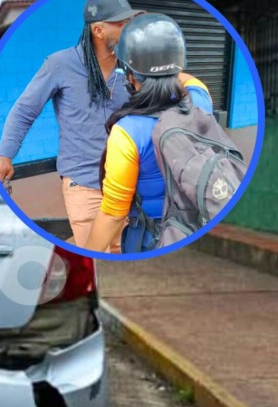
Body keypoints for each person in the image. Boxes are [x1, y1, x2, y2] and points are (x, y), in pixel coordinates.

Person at [0, 0, 144, 251]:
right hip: (83, 184)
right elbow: (24, 111)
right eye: (122, 24)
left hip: (128, 182)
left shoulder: (132, 66)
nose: (129, 29)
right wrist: (6, 155)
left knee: (123, 253)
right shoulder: (61, 64)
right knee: (93, 256)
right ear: (98, 30)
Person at [83, 13, 214, 254]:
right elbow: (189, 80)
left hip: (152, 241)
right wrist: (166, 71)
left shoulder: (128, 132)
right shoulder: (201, 101)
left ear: (130, 74)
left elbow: (113, 214)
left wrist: (85, 255)